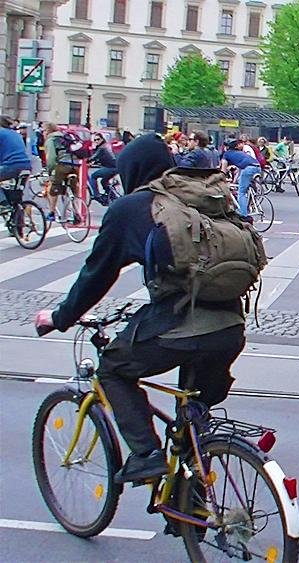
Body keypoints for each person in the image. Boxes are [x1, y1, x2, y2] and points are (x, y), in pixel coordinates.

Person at [34, 133, 247, 485]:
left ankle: (146, 455)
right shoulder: (204, 197)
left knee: (113, 369)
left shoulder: (131, 208)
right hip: (230, 327)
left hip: (179, 326)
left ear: (130, 171)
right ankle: (193, 501)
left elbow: (96, 276)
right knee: (192, 427)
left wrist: (59, 317)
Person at [42, 122, 80, 220]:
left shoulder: (51, 139)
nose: (43, 133)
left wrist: (49, 171)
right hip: (75, 165)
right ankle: (76, 212)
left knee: (53, 188)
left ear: (48, 131)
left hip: (62, 165)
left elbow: (51, 158)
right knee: (73, 189)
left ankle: (51, 213)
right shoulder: (65, 137)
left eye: (44, 130)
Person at [220, 139, 261, 217]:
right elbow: (240, 168)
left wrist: (222, 178)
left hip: (248, 169)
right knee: (242, 182)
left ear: (226, 147)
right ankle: (251, 202)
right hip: (257, 166)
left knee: (241, 192)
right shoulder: (240, 153)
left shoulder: (226, 154)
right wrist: (234, 180)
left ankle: (243, 214)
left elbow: (223, 170)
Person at [0, 115, 32, 212]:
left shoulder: (1, 133)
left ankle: (3, 204)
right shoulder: (16, 134)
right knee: (16, 196)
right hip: (26, 165)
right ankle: (17, 216)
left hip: (12, 165)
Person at [87, 133, 117, 205]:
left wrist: (86, 160)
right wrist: (93, 162)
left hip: (111, 168)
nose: (96, 141)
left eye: (98, 139)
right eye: (95, 140)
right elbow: (102, 157)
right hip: (115, 167)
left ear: (102, 139)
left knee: (93, 176)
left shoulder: (102, 148)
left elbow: (94, 157)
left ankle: (96, 195)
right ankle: (113, 196)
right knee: (104, 182)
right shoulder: (106, 146)